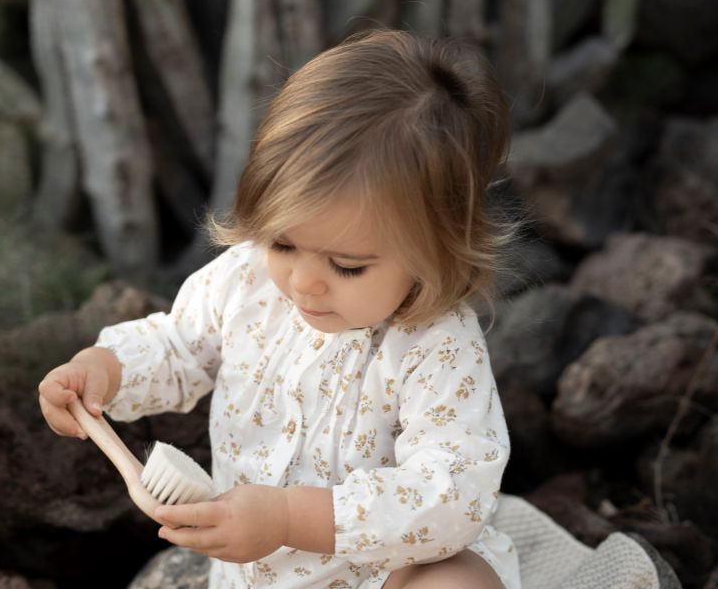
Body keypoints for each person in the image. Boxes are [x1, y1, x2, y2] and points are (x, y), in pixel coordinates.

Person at [38, 29, 520, 589]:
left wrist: (290, 517)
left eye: (347, 265)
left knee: (456, 582)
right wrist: (104, 370)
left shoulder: (437, 344)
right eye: (282, 244)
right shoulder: (244, 282)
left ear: (435, 251)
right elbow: (176, 347)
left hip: (384, 570)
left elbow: (452, 495)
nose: (304, 283)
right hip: (259, 574)